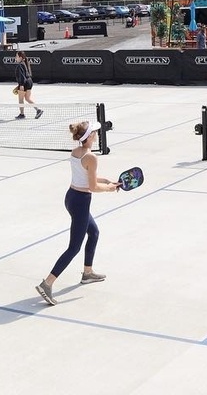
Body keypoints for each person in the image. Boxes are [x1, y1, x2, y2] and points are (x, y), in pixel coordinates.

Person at [35, 120, 118, 306]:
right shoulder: (91, 157)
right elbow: (93, 186)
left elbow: (89, 176)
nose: (97, 135)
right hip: (81, 202)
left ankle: (87, 273)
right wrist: (109, 189)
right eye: (94, 133)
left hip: (71, 197)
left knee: (94, 233)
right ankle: (47, 284)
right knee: (74, 248)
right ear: (89, 137)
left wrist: (109, 181)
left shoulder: (76, 152)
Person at [13, 51, 44, 119]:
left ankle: (22, 114)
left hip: (24, 83)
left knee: (21, 100)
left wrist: (21, 85)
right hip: (29, 82)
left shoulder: (20, 65)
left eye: (16, 56)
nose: (15, 57)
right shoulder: (25, 63)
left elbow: (21, 76)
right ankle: (38, 110)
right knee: (27, 98)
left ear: (20, 57)